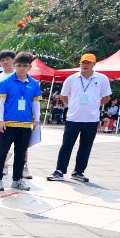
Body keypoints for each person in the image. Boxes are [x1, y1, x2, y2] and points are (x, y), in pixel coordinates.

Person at [47, 53, 112, 182]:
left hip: (91, 119)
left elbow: (106, 97)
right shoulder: (72, 79)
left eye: (88, 62)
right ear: (80, 63)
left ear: (94, 64)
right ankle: (59, 171)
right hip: (73, 118)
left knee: (85, 147)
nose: (85, 65)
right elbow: (64, 95)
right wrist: (72, 104)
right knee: (66, 145)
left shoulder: (102, 78)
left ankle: (78, 171)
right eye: (83, 62)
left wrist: (94, 104)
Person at [0, 52, 42, 191]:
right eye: (19, 65)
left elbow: (36, 103)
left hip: (25, 124)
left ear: (30, 67)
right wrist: (0, 120)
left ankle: (17, 179)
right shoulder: (6, 82)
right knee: (2, 152)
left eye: (25, 66)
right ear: (14, 66)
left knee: (21, 154)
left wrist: (37, 119)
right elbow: (0, 103)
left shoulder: (34, 84)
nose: (21, 69)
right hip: (8, 123)